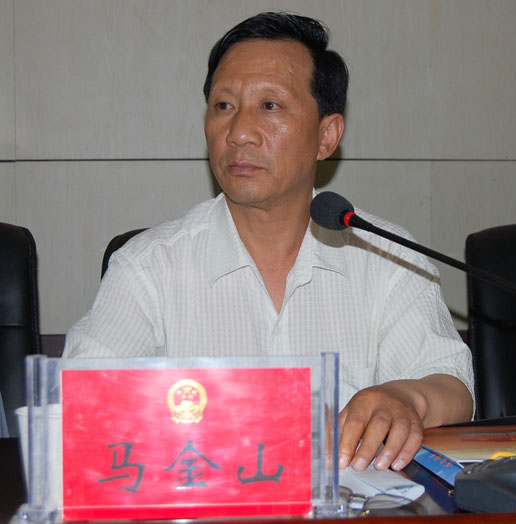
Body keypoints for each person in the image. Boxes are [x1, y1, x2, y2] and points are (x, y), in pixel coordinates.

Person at [63, 11, 474, 473]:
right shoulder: (148, 267)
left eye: (270, 106)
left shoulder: (387, 257)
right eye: (224, 106)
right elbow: (78, 406)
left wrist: (404, 398)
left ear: (326, 136)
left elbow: (452, 385)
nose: (238, 132)